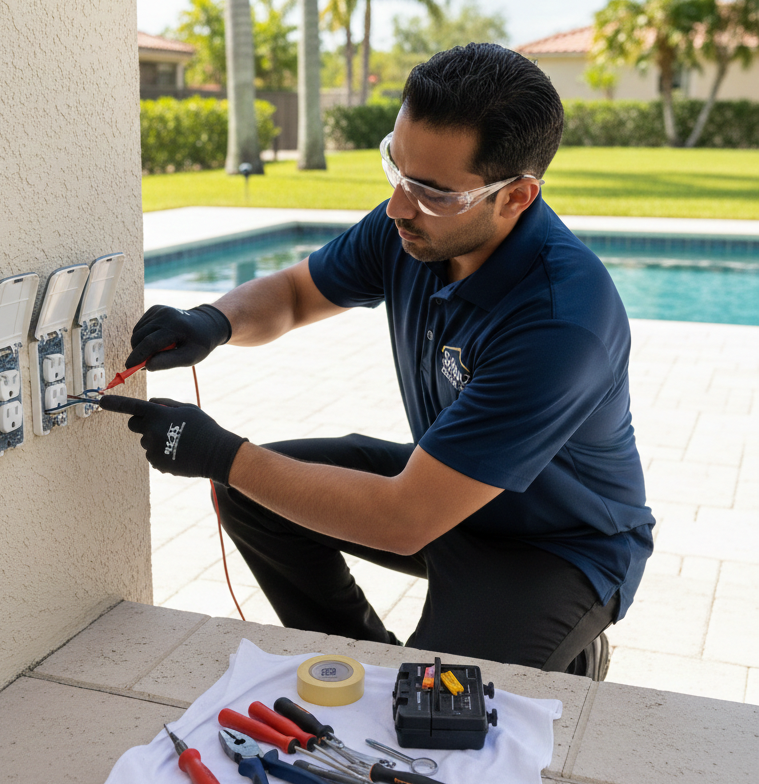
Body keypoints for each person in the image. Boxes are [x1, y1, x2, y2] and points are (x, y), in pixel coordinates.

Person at [101, 43, 654, 679]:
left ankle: (571, 648)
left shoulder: (561, 323)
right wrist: (211, 322)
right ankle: (368, 663)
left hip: (555, 542)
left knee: (434, 717)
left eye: (434, 192)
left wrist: (220, 452)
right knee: (251, 495)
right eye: (396, 168)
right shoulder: (415, 226)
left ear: (517, 197)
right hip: (443, 485)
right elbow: (292, 294)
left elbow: (403, 520)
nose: (398, 206)